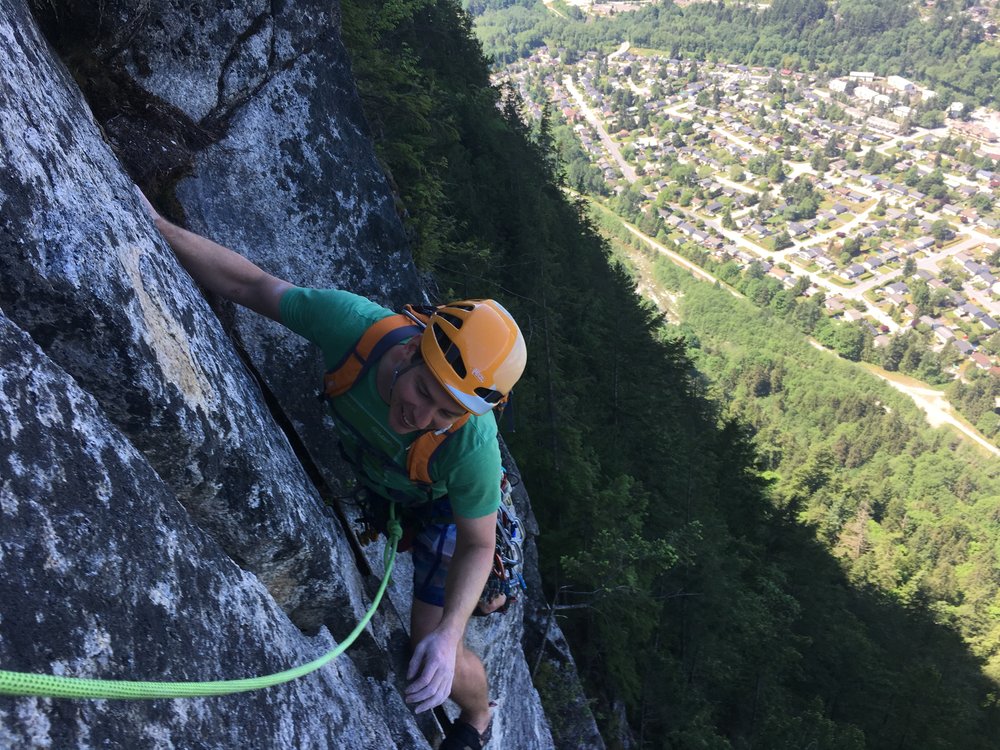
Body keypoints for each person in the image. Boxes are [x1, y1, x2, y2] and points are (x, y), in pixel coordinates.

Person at [139, 191, 525, 750]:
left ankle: (479, 714)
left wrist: (447, 635)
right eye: (423, 390)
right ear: (415, 346)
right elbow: (252, 286)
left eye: (446, 412)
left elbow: (476, 542)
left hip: (440, 509)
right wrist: (155, 225)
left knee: (426, 647)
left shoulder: (470, 446)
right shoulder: (356, 329)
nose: (421, 416)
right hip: (390, 485)